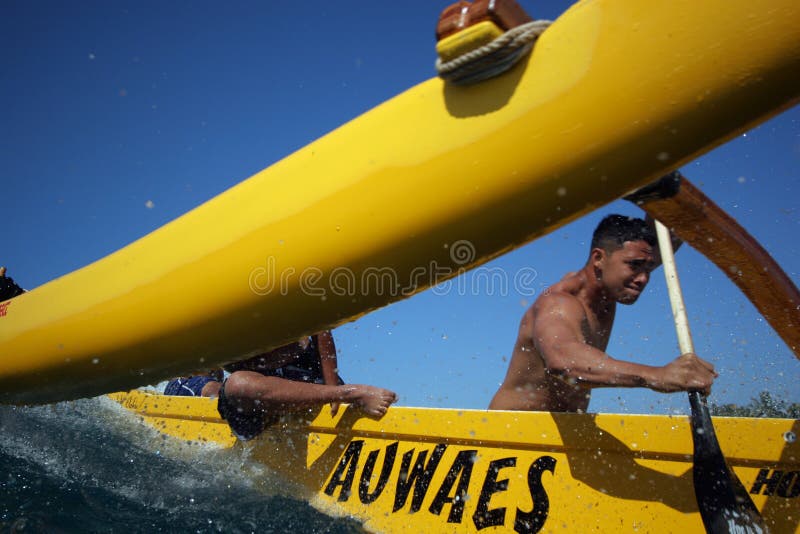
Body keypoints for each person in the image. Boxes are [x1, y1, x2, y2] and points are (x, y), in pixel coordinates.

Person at [489, 214, 718, 413]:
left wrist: (660, 197)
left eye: (647, 268)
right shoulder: (559, 302)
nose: (643, 278)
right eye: (635, 265)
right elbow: (562, 361)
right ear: (598, 258)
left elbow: (666, 240)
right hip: (508, 436)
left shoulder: (613, 284)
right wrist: (657, 375)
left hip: (567, 436)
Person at [217, 330, 397, 440]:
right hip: (256, 399)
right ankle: (349, 393)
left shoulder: (284, 289)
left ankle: (342, 394)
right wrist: (342, 393)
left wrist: (332, 386)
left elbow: (320, 326)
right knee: (237, 385)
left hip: (304, 371)